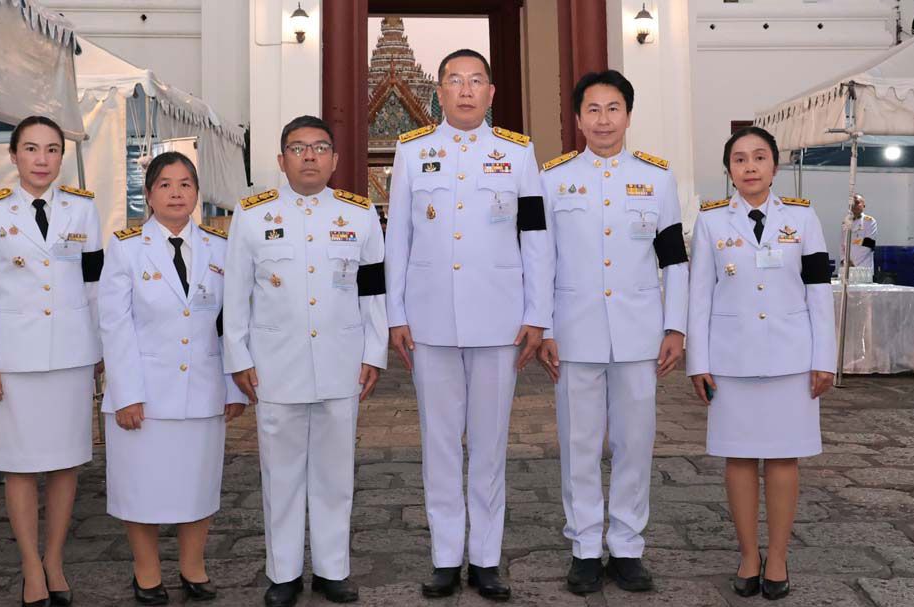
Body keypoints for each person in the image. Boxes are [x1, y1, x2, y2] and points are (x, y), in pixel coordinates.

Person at [385, 49, 552, 601]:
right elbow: (398, 240)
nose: (464, 90)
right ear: (439, 90)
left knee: (489, 444)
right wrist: (395, 314)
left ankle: (485, 558)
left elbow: (536, 237)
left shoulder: (519, 153)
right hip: (430, 319)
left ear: (491, 92)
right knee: (438, 443)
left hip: (498, 319)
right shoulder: (413, 152)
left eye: (475, 80)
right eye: (453, 80)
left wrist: (537, 315)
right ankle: (444, 556)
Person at [223, 115, 387, 607]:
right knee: (281, 473)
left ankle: (334, 570)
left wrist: (374, 352)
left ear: (335, 160)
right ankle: (284, 572)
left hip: (341, 360)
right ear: (280, 160)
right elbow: (235, 295)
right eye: (298, 148)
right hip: (276, 364)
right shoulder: (252, 216)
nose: (310, 156)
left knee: (336, 473)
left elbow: (373, 292)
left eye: (319, 148)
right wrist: (238, 357)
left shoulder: (359, 216)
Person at [537, 70, 688, 595]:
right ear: (577, 118)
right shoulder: (551, 179)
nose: (604, 119)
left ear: (628, 114)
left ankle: (626, 545)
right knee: (578, 443)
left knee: (635, 441)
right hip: (574, 333)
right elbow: (541, 260)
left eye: (614, 108)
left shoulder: (658, 178)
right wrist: (544, 327)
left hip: (639, 333)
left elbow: (675, 260)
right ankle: (583, 545)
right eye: (593, 110)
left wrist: (675, 326)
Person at [687, 126, 835, 601]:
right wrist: (699, 362)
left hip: (791, 356)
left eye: (759, 158)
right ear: (728, 169)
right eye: (739, 159)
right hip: (732, 358)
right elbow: (698, 298)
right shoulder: (710, 222)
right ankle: (749, 554)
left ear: (775, 166)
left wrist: (824, 358)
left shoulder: (803, 217)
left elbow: (818, 290)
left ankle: (778, 557)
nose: (749, 167)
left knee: (784, 457)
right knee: (740, 457)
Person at [0, 115, 104, 607]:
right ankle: (29, 565)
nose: (41, 159)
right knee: (20, 466)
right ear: (14, 155)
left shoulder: (83, 211)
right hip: (15, 360)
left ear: (61, 157)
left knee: (66, 463)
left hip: (70, 353)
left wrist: (99, 351)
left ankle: (54, 560)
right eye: (31, 149)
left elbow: (93, 286)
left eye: (50, 149)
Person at [98, 152, 247, 605]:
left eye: (185, 184)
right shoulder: (125, 247)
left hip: (203, 388)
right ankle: (146, 573)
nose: (176, 192)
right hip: (143, 392)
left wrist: (235, 384)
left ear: (197, 193)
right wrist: (125, 393)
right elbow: (114, 324)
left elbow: (233, 322)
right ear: (149, 195)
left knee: (197, 484)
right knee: (139, 487)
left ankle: (193, 568)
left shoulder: (220, 249)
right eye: (165, 184)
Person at [842, 194, 877, 268]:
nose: (854, 205)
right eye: (852, 203)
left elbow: (869, 244)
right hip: (847, 267)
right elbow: (842, 244)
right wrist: (844, 260)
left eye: (857, 202)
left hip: (863, 267)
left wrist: (853, 262)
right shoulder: (846, 222)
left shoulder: (869, 221)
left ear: (864, 205)